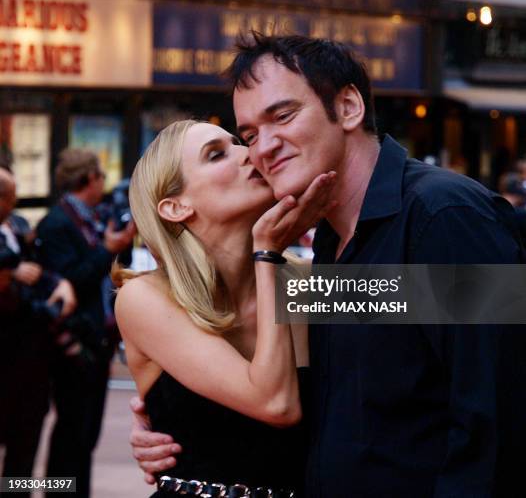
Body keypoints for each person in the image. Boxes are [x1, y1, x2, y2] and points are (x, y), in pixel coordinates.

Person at [131, 33, 526, 497]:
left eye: (283, 115)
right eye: (251, 134)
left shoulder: (444, 214)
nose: (260, 150)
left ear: (349, 107)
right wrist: (175, 421)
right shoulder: (331, 245)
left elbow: (499, 415)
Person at [114, 118, 337, 497]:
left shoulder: (309, 283)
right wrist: (267, 253)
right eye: (217, 154)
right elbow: (277, 404)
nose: (251, 152)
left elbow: (464, 298)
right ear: (175, 206)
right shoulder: (144, 298)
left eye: (239, 141)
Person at [36, 148, 136, 498]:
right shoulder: (57, 223)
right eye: (99, 176)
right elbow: (65, 281)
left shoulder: (91, 217)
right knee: (72, 431)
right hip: (73, 343)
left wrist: (116, 248)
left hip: (97, 339)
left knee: (86, 433)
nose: (104, 184)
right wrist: (107, 250)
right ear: (88, 179)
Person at [0, 167, 76, 494]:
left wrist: (60, 283)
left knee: (23, 454)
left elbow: (38, 272)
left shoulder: (16, 227)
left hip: (30, 366)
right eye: (10, 194)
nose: (13, 201)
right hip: (4, 357)